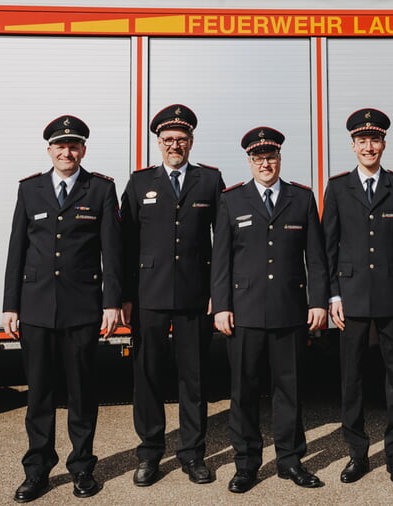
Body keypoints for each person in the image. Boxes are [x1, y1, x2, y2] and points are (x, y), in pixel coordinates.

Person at [2, 115, 122, 502]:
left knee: (82, 393)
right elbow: (16, 251)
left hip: (81, 309)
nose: (66, 152)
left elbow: (112, 253)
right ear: (50, 150)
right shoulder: (30, 189)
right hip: (35, 308)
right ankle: (36, 470)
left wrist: (111, 304)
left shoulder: (100, 189)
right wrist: (10, 305)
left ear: (82, 150)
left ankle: (82, 467)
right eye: (60, 146)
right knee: (39, 394)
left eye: (73, 146)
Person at [211, 127, 329, 493]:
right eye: (258, 158)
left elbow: (317, 258)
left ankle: (290, 461)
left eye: (271, 156)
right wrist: (221, 307)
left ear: (280, 159)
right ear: (249, 161)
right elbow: (222, 261)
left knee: (289, 391)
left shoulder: (301, 198)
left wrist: (318, 301)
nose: (266, 163)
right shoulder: (233, 200)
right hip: (243, 313)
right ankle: (246, 463)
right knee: (243, 392)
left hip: (289, 311)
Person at [121, 104, 225, 486]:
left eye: (181, 139)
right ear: (159, 143)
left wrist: (219, 292)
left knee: (194, 378)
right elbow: (124, 245)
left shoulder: (209, 181)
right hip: (148, 295)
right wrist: (124, 296)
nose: (175, 145)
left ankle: (192, 454)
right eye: (168, 140)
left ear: (191, 142)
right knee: (147, 377)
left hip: (196, 296)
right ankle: (149, 454)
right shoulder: (138, 183)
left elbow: (223, 242)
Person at [321, 108, 393, 485]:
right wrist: (332, 295)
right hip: (351, 300)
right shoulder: (337, 188)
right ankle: (357, 454)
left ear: (383, 144)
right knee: (353, 380)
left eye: (374, 139)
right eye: (361, 140)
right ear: (352, 145)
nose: (368, 146)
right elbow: (327, 248)